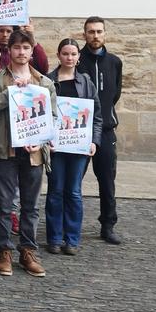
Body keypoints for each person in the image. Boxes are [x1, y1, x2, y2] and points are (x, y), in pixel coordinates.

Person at [0, 29, 57, 277]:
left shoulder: (45, 83)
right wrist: (11, 92)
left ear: (32, 51)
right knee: (4, 205)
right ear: (10, 50)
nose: (21, 52)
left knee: (30, 206)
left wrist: (41, 141)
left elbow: (54, 118)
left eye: (26, 48)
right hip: (4, 151)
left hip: (33, 153)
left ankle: (28, 251)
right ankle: (4, 251)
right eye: (17, 48)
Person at [46, 38, 102, 255]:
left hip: (78, 147)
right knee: (55, 191)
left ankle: (72, 239)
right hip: (56, 147)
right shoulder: (48, 81)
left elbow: (96, 116)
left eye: (73, 54)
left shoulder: (86, 82)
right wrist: (45, 139)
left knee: (74, 193)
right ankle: (54, 237)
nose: (69, 57)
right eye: (65, 53)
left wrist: (94, 141)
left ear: (78, 57)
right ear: (59, 55)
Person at [77, 16, 123, 245]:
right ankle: (69, 224)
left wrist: (105, 115)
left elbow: (115, 94)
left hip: (105, 131)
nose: (95, 36)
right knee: (73, 181)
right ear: (84, 34)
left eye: (99, 31)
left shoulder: (114, 62)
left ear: (105, 34)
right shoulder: (76, 60)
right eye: (91, 31)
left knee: (107, 180)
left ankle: (108, 224)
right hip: (79, 132)